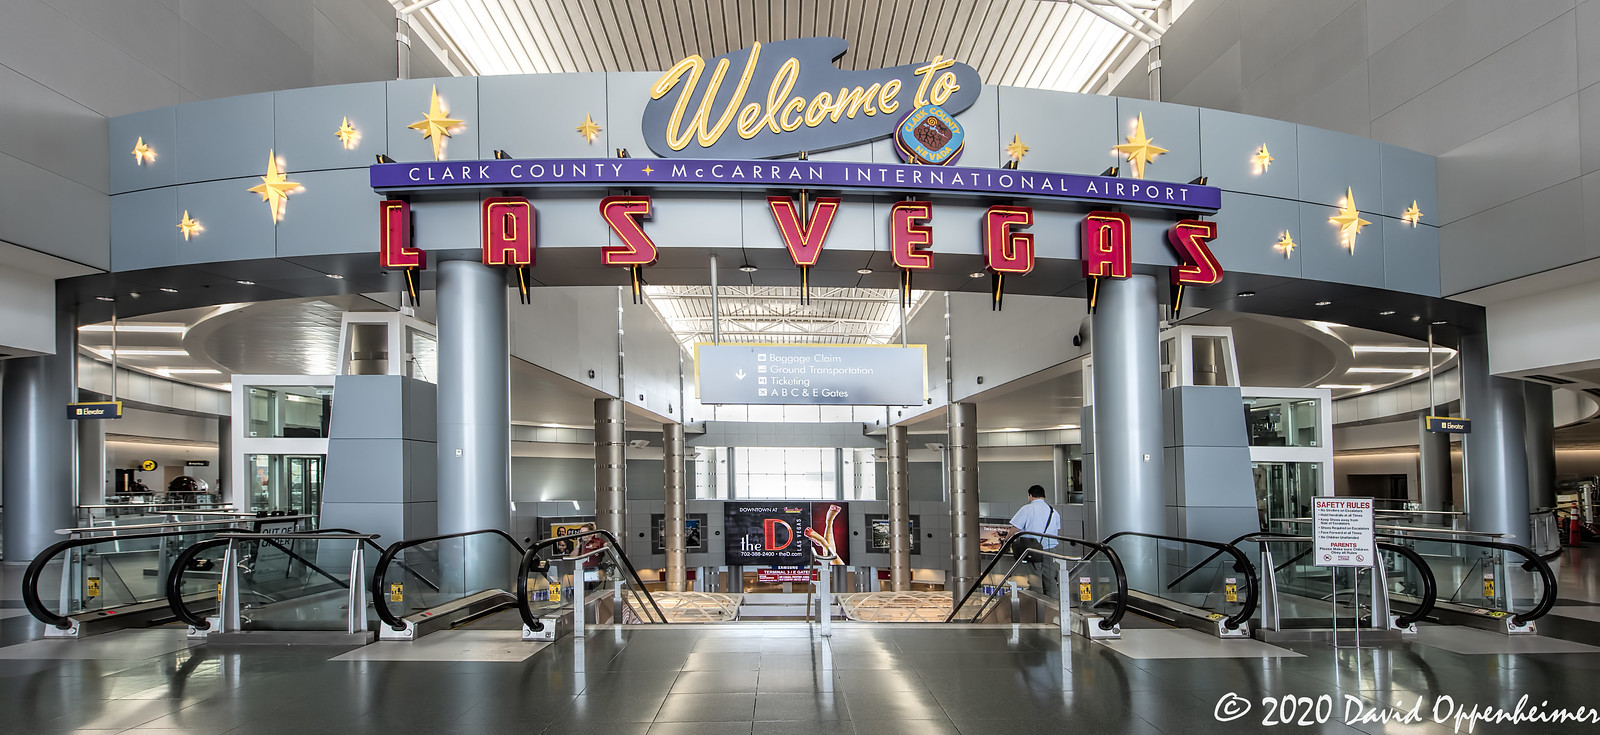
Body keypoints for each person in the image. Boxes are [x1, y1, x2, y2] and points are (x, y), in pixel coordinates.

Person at [1006, 485, 1061, 597]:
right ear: (1043, 496)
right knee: (1049, 577)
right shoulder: (1053, 511)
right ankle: (1053, 604)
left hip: (1033, 548)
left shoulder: (1026, 509)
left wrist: (1007, 540)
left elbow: (1015, 528)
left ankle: (1038, 603)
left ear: (1030, 496)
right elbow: (1057, 529)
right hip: (1050, 548)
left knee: (1035, 577)